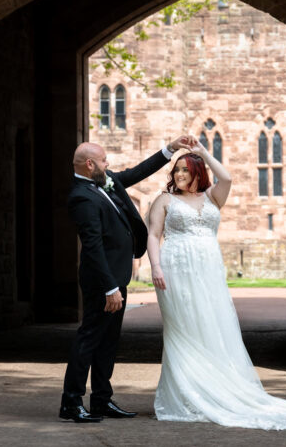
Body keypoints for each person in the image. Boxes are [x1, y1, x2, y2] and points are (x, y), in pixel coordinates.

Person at [146, 139, 286, 429]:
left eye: (185, 170)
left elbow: (227, 177)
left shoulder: (213, 196)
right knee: (184, 329)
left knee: (212, 326)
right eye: (176, 170)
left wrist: (203, 152)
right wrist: (156, 267)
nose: (179, 175)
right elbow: (154, 235)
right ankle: (186, 394)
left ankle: (216, 388)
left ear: (198, 172)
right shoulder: (164, 200)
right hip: (176, 268)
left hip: (208, 269)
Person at [60, 136, 192, 423]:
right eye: (105, 160)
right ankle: (71, 402)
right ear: (90, 164)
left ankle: (101, 400)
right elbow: (92, 246)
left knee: (108, 341)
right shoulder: (82, 196)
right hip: (102, 281)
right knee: (89, 339)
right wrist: (109, 288)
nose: (109, 165)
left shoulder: (106, 181)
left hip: (116, 277)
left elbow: (137, 172)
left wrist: (170, 149)